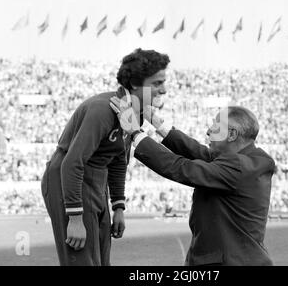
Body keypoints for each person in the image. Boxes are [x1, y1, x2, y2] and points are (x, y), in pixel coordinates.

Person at [41, 48, 169, 266]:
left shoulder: (133, 112)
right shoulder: (103, 108)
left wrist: (118, 206)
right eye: (156, 83)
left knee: (101, 261)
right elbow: (72, 162)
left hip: (96, 181)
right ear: (136, 83)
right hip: (71, 179)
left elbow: (119, 161)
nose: (164, 90)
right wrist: (74, 218)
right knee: (81, 261)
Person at [110, 98, 275, 266]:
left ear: (232, 134)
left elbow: (183, 168)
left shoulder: (239, 166)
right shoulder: (247, 161)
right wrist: (155, 122)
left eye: (216, 126)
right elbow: (197, 151)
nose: (208, 131)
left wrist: (136, 133)